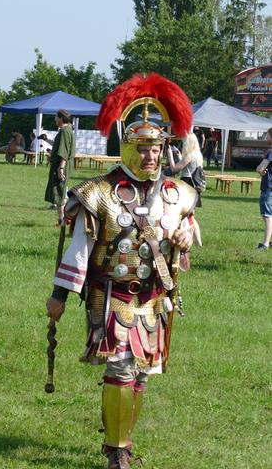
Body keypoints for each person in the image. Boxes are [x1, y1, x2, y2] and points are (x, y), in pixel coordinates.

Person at [45, 73, 200, 469]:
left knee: (143, 374)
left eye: (156, 149)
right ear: (127, 148)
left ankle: (124, 442)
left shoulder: (177, 194)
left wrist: (182, 242)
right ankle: (116, 451)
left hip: (153, 300)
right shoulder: (98, 193)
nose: (150, 156)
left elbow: (181, 245)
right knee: (120, 368)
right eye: (142, 149)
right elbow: (79, 251)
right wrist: (60, 296)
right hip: (111, 296)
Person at [44, 109, 76, 225]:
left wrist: (60, 168)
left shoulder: (64, 131)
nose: (54, 119)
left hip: (61, 165)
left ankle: (62, 220)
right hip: (62, 164)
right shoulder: (67, 130)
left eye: (56, 117)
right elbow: (61, 147)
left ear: (61, 118)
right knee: (60, 190)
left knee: (59, 191)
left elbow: (64, 152)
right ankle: (62, 220)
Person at [166, 131, 204, 207]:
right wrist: (180, 157)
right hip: (195, 184)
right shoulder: (198, 155)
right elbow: (189, 166)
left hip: (187, 183)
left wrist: (169, 154)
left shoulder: (189, 156)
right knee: (191, 211)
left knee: (184, 211)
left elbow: (174, 169)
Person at [256, 127, 272, 250]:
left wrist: (261, 171)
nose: (266, 138)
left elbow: (260, 168)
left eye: (268, 135)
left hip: (268, 187)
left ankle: (265, 243)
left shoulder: (270, 153)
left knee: (267, 216)